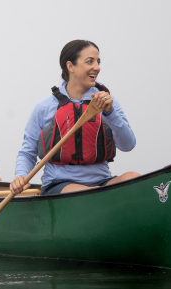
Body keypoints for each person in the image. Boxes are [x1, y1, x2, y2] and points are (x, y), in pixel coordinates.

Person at [10, 39, 140, 196]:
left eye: (98, 62)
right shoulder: (44, 107)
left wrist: (110, 113)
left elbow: (128, 145)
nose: (97, 67)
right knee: (91, 194)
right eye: (89, 61)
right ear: (70, 66)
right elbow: (27, 152)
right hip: (60, 184)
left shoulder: (107, 102)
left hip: (102, 182)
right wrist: (21, 177)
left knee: (133, 178)